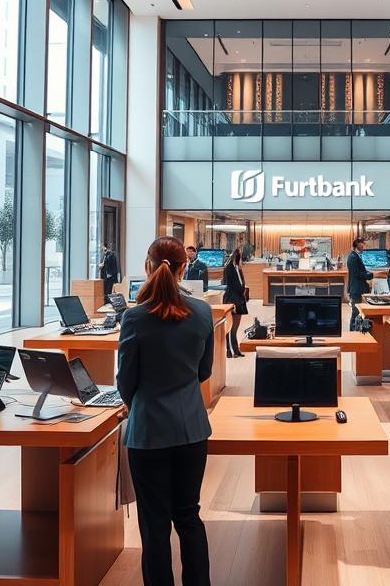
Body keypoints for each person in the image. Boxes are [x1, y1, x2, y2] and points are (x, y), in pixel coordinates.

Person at [117, 236, 213, 586]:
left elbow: (125, 382)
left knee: (154, 525)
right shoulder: (202, 311)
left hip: (149, 433)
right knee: (189, 517)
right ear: (184, 267)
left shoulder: (135, 318)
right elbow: (204, 372)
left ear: (147, 266)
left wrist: (137, 400)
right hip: (191, 431)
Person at [222, 248, 247, 357]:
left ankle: (235, 349)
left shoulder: (237, 268)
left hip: (239, 299)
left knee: (235, 328)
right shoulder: (230, 268)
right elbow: (233, 286)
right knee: (230, 327)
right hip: (233, 300)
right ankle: (230, 350)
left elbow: (241, 284)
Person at [346, 237, 373, 325]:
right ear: (357, 244)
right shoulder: (353, 257)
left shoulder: (355, 255)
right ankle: (353, 331)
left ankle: (357, 330)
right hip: (356, 289)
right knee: (356, 312)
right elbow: (357, 274)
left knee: (359, 312)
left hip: (357, 288)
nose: (364, 245)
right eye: (362, 243)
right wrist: (371, 275)